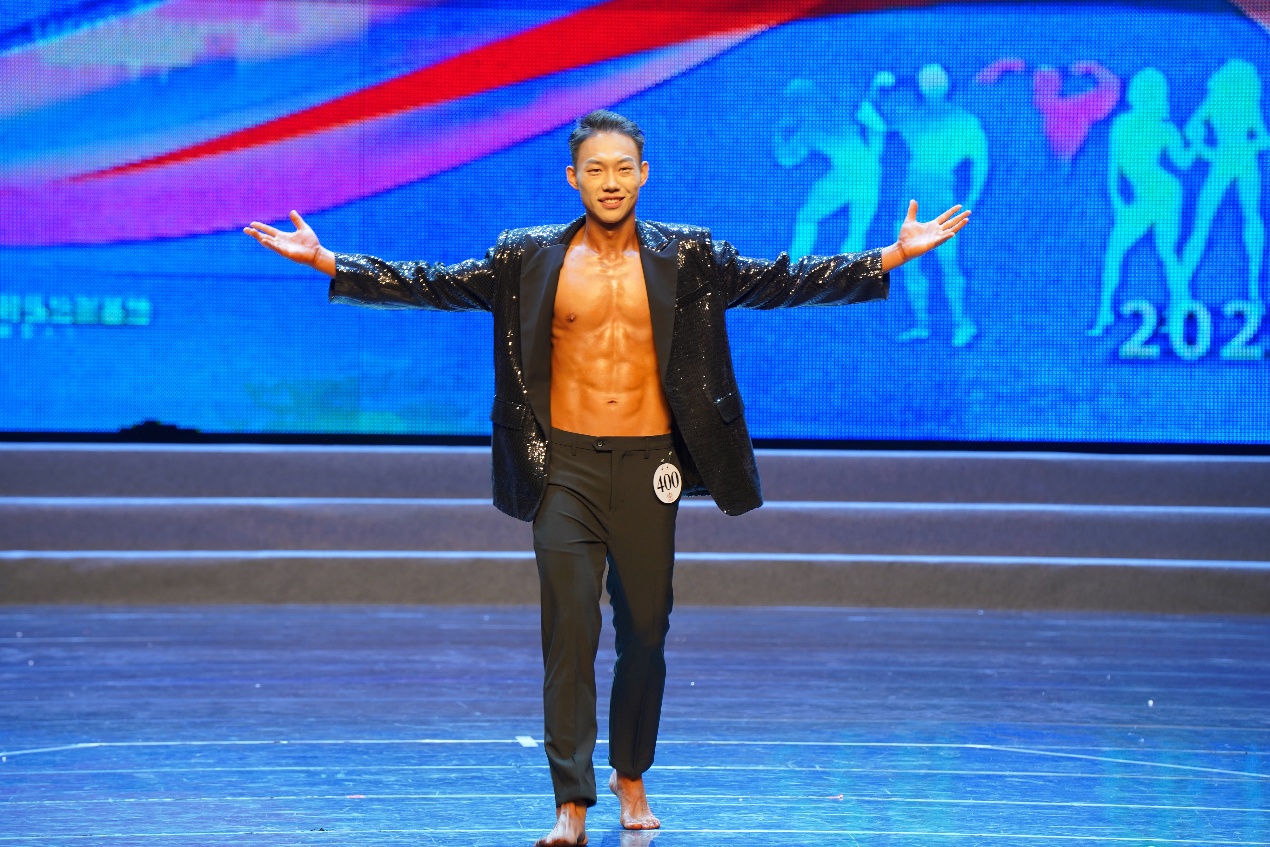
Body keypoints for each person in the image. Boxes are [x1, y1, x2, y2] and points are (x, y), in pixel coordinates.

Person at [244, 109, 969, 847]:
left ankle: (631, 773)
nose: (611, 181)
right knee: (569, 631)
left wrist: (889, 257)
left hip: (651, 466)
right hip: (564, 468)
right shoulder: (527, 256)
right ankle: (571, 802)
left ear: (644, 174)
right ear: (574, 177)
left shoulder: (689, 254)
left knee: (646, 633)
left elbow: (779, 280)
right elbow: (434, 284)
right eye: (596, 168)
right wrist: (328, 261)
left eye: (624, 167)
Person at [881, 65, 987, 347]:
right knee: (912, 263)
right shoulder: (916, 117)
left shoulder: (963, 121)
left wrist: (972, 199)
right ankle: (924, 324)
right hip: (913, 199)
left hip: (938, 198)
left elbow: (981, 164)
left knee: (946, 263)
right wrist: (879, 90)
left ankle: (961, 323)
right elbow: (881, 122)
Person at [1090, 67, 1195, 337]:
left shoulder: (1166, 128)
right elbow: (1113, 168)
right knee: (1116, 251)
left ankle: (1181, 308)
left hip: (1166, 195)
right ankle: (1104, 313)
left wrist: (1196, 142)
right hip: (1142, 198)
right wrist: (1117, 201)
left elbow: (1183, 162)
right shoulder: (1121, 124)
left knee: (1166, 251)